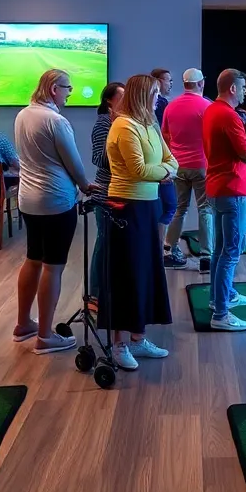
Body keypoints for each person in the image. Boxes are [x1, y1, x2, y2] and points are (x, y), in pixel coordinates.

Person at [12, 69, 98, 354]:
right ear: (53, 89)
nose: (70, 92)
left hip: (28, 200)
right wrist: (86, 185)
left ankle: (24, 323)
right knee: (53, 265)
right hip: (56, 201)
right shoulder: (56, 121)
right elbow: (73, 162)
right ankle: (46, 336)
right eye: (67, 88)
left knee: (33, 258)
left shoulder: (24, 114)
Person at [101, 73, 176, 371]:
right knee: (126, 274)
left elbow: (172, 159)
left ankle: (138, 338)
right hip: (126, 206)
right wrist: (165, 171)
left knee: (146, 271)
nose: (159, 99)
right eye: (155, 94)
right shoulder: (123, 125)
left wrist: (165, 169)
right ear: (143, 96)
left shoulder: (149, 124)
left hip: (148, 205)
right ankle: (118, 344)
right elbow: (139, 170)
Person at [201, 68, 246, 331]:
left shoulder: (211, 111)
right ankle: (221, 314)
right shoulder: (228, 116)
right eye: (243, 88)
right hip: (233, 190)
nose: (245, 92)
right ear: (233, 89)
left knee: (220, 250)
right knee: (231, 252)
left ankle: (221, 299)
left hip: (218, 187)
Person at [162, 67, 213, 271]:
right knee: (205, 210)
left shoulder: (171, 107)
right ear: (200, 84)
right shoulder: (207, 106)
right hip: (202, 165)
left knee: (178, 210)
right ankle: (206, 257)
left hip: (178, 166)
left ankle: (169, 250)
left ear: (184, 85)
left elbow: (165, 135)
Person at [88, 81, 125, 304]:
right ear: (109, 101)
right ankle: (95, 294)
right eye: (121, 97)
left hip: (122, 192)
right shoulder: (103, 124)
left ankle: (110, 292)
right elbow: (99, 159)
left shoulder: (122, 123)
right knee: (104, 243)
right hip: (106, 193)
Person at [151, 68, 183, 268]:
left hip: (162, 165)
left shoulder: (161, 104)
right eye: (168, 80)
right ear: (157, 81)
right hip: (161, 166)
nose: (171, 84)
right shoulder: (161, 105)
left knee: (168, 206)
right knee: (169, 206)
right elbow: (164, 135)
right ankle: (162, 251)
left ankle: (160, 249)